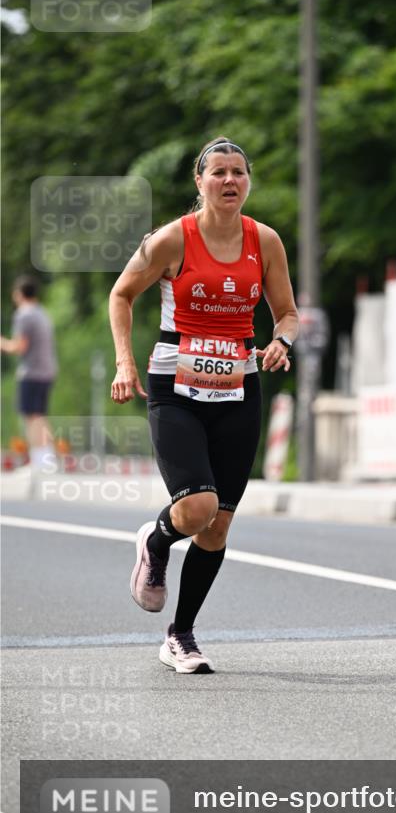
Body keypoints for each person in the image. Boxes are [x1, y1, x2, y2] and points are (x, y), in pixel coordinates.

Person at [109, 137, 298, 673]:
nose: (230, 181)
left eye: (239, 172)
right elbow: (121, 294)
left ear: (248, 180)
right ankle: (157, 536)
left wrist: (282, 340)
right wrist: (125, 363)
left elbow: (286, 312)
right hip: (176, 387)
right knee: (197, 509)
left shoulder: (265, 242)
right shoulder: (172, 239)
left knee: (217, 527)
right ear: (200, 181)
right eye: (219, 172)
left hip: (239, 387)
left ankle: (181, 635)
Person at [0, 274, 57, 473]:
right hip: (47, 370)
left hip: (32, 372)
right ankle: (48, 459)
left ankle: (38, 461)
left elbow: (19, 346)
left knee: (31, 417)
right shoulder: (42, 313)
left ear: (18, 294)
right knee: (40, 415)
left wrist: (2, 343)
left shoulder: (24, 314)